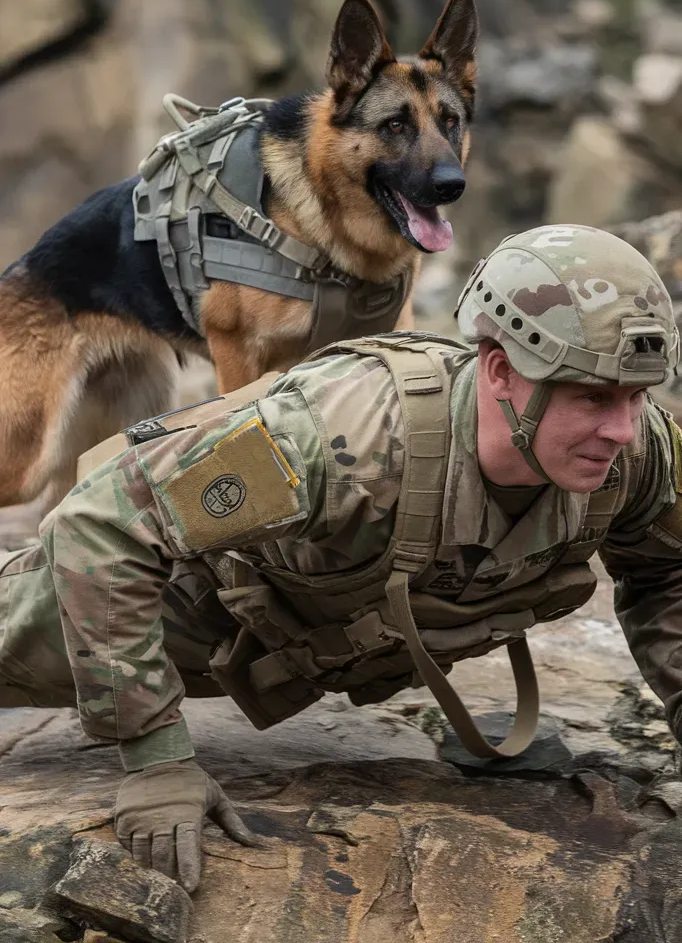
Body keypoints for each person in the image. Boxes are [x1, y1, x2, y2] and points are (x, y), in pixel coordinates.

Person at [2, 223, 682, 894]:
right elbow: (102, 527)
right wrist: (156, 758)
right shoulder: (346, 437)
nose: (621, 429)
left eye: (635, 397)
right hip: (168, 606)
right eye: (592, 397)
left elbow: (669, 572)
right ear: (502, 370)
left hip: (295, 644)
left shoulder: (640, 452)